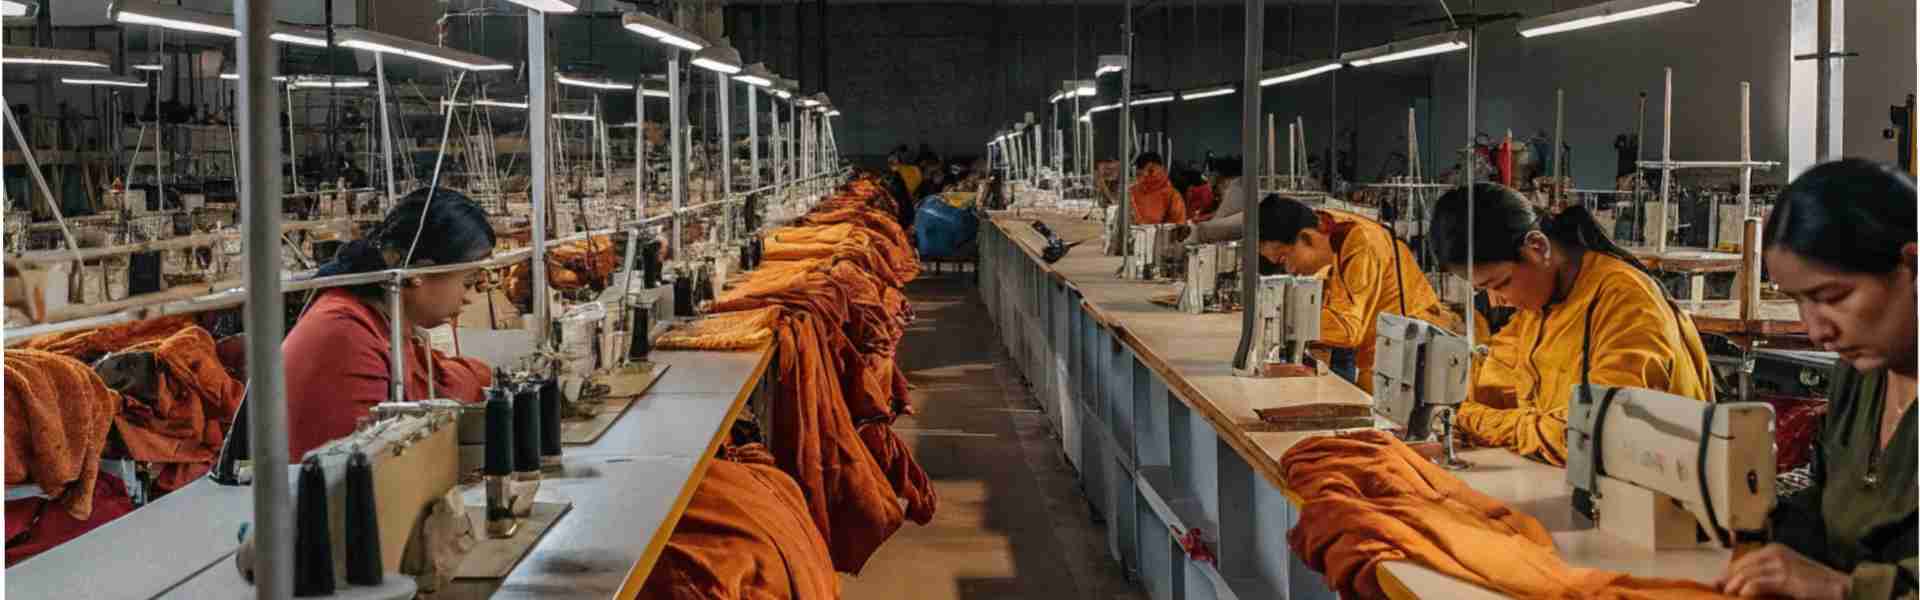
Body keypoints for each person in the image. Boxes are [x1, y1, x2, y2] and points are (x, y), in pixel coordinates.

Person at [1716, 159, 1916, 600]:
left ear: (1911, 266)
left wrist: (1842, 589)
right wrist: (1751, 524)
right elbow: (1828, 506)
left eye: (1833, 297)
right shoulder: (1861, 378)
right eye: (1799, 303)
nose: (1817, 331)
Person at [1426, 183, 1713, 466]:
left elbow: (1588, 434)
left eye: (1500, 284)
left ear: (1537, 247)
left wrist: (1471, 419)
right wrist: (1446, 409)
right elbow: (1488, 382)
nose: (1497, 301)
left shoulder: (1626, 302)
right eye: (1483, 290)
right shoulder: (1539, 307)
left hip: (1660, 498)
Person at [282, 188, 497, 458]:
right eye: (467, 282)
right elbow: (361, 467)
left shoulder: (384, 323)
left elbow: (439, 379)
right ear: (419, 271)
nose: (469, 298)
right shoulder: (345, 336)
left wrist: (493, 379)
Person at [1242, 195, 1453, 391]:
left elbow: (1347, 329)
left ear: (1306, 238)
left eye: (1283, 259)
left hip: (1412, 353)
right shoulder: (1330, 233)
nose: (1289, 270)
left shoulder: (1362, 243)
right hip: (1386, 350)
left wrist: (1281, 316)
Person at [1126, 152, 1187, 225]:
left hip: (1159, 234)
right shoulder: (1130, 192)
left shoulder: (1172, 195)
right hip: (1136, 234)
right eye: (1142, 172)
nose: (1147, 175)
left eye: (1151, 171)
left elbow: (1179, 225)